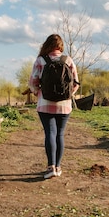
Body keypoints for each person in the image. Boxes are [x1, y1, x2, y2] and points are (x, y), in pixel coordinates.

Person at [29, 34, 80, 179]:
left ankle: (50, 167)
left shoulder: (41, 61)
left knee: (50, 133)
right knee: (60, 134)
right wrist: (67, 95)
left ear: (47, 45)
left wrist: (36, 92)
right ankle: (58, 167)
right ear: (60, 46)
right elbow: (76, 83)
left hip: (45, 104)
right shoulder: (68, 60)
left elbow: (32, 83)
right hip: (64, 106)